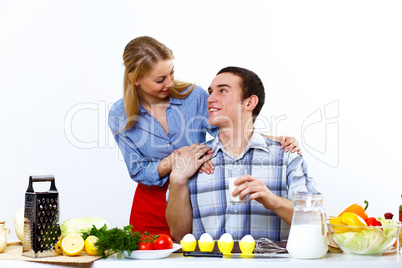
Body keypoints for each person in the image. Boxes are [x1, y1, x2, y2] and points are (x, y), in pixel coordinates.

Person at [108, 36, 301, 236]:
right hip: (150, 206)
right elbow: (138, 170)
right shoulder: (119, 115)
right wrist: (178, 159)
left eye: (171, 73)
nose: (170, 82)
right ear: (135, 78)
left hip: (194, 197)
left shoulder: (194, 96)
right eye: (160, 79)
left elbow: (227, 133)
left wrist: (270, 140)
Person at [166, 66, 320, 241]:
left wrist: (273, 201)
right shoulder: (192, 160)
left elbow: (315, 221)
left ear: (249, 103)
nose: (210, 99)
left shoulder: (286, 156)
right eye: (210, 92)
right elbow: (179, 235)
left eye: (222, 90)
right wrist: (177, 180)